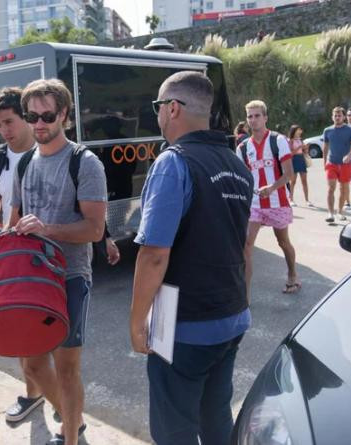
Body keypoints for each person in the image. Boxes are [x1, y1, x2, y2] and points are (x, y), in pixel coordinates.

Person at [130, 71, 253, 445]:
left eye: (157, 107)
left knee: (173, 428)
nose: (157, 116)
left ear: (172, 109)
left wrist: (137, 322)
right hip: (231, 315)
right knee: (215, 415)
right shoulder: (236, 164)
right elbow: (243, 247)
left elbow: (154, 254)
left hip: (183, 323)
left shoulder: (173, 162)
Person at [9, 78, 107, 445]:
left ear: (64, 114)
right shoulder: (23, 165)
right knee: (33, 365)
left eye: (47, 115)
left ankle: (70, 435)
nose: (38, 124)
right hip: (32, 277)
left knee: (67, 370)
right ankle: (73, 420)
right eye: (30, 115)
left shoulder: (85, 162)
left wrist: (46, 229)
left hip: (70, 276)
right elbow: (14, 220)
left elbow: (95, 229)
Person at [0, 87, 56, 423]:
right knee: (23, 333)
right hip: (12, 258)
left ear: (27, 117)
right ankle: (36, 396)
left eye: (9, 122)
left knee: (50, 341)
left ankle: (65, 406)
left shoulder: (51, 154)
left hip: (49, 258)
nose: (3, 130)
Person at [238, 100, 299, 296]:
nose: (253, 120)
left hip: (277, 201)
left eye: (257, 116)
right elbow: (241, 176)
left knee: (283, 242)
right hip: (254, 204)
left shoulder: (278, 140)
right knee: (246, 244)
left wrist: (272, 188)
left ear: (265, 117)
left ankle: (292, 275)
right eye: (250, 116)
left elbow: (289, 173)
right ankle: (245, 295)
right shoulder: (242, 147)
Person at [323, 106, 351, 223]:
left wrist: (349, 155)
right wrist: (324, 161)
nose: (337, 117)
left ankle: (340, 211)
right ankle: (330, 213)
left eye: (339, 115)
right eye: (335, 115)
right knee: (330, 188)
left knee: (343, 189)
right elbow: (325, 147)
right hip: (331, 163)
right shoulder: (327, 130)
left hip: (345, 164)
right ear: (332, 117)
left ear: (343, 117)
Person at [287, 124, 312, 207]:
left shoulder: (301, 140)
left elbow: (304, 152)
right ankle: (291, 199)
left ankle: (307, 200)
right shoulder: (290, 140)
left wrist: (305, 148)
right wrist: (299, 147)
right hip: (294, 160)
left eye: (300, 129)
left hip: (301, 159)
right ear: (294, 131)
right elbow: (290, 153)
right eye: (299, 129)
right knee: (293, 181)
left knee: (304, 181)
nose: (300, 131)